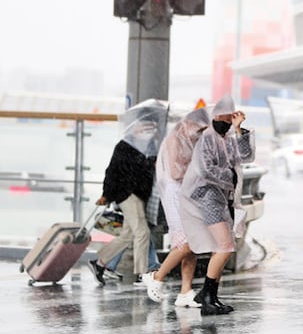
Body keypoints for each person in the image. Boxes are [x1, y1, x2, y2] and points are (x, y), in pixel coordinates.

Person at [178, 94, 254, 315]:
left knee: (221, 247)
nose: (226, 121)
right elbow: (205, 170)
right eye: (222, 117)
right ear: (213, 116)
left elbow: (245, 156)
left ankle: (210, 295)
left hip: (223, 198)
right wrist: (229, 176)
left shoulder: (228, 138)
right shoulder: (207, 139)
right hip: (206, 196)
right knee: (225, 246)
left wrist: (239, 130)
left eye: (230, 117)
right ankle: (207, 296)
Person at [143, 107, 210, 307]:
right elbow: (175, 172)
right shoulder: (174, 139)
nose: (200, 132)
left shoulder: (194, 141)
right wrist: (197, 168)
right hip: (175, 194)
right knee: (185, 242)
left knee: (192, 246)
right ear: (188, 123)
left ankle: (185, 292)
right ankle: (157, 276)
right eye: (199, 128)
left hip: (189, 194)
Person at [87, 110, 162, 286]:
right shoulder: (125, 145)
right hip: (127, 194)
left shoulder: (150, 147)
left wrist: (154, 161)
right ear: (135, 126)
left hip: (141, 195)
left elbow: (147, 171)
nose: (148, 129)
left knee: (127, 235)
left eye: (152, 126)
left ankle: (100, 263)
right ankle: (143, 274)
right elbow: (112, 171)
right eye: (145, 125)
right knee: (142, 232)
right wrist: (106, 195)